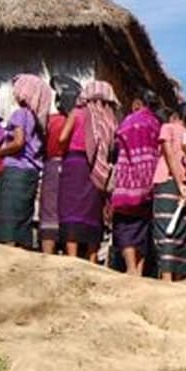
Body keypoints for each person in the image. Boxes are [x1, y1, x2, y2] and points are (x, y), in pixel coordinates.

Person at [54, 80, 118, 260]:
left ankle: (72, 255)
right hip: (96, 168)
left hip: (74, 164)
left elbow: (62, 138)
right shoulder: (110, 119)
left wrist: (65, 148)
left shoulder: (77, 113)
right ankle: (92, 256)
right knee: (92, 210)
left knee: (71, 208)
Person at [0, 74, 51, 250]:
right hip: (31, 173)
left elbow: (18, 142)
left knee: (8, 218)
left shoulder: (19, 114)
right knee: (23, 219)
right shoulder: (39, 121)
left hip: (15, 172)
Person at [110, 96, 163, 275]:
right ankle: (139, 270)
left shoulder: (128, 121)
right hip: (149, 179)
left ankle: (130, 267)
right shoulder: (155, 124)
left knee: (125, 223)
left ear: (137, 103)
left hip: (127, 179)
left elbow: (116, 146)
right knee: (142, 224)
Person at [38, 75, 80, 253]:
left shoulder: (50, 121)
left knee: (49, 209)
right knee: (69, 209)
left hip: (51, 165)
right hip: (71, 168)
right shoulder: (77, 122)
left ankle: (47, 253)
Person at [152, 103, 186, 280]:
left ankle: (166, 277)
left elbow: (168, 154)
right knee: (180, 232)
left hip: (167, 180)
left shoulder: (167, 127)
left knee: (165, 229)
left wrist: (177, 181)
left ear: (176, 116)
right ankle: (177, 278)